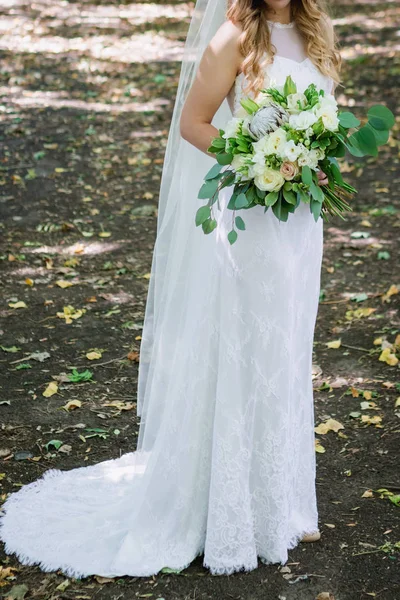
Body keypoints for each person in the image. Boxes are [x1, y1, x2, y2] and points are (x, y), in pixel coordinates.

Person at [0, 0, 341, 578]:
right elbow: (193, 122)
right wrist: (254, 155)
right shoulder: (233, 38)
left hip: (299, 223)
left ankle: (282, 502)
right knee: (244, 352)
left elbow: (325, 118)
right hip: (251, 215)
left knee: (285, 351)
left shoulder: (317, 31)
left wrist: (316, 159)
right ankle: (229, 512)